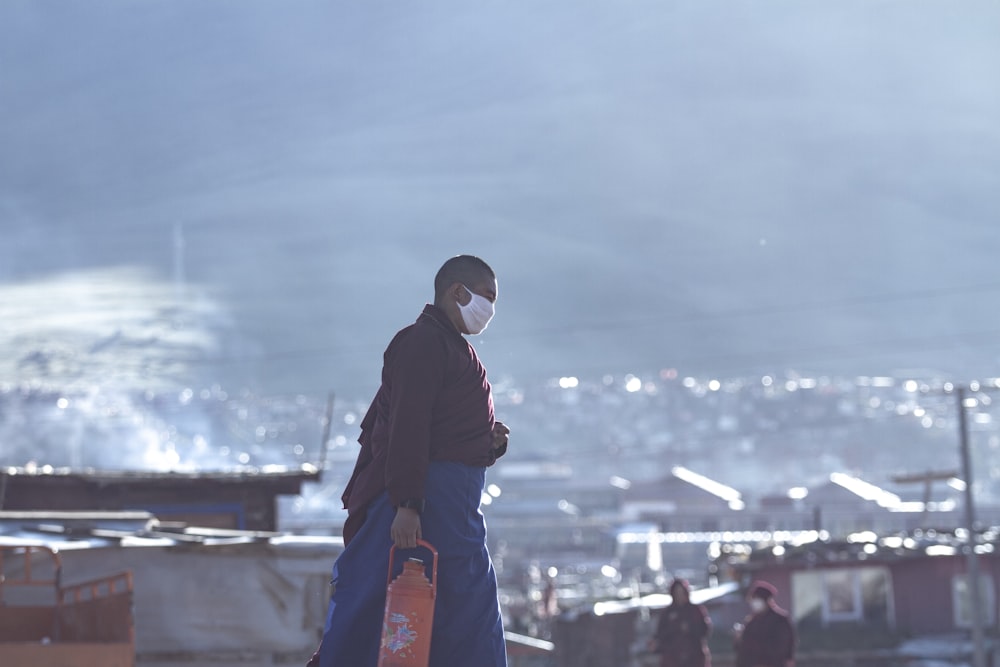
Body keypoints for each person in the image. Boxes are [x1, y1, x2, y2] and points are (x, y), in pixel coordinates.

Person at [312, 255, 510, 667]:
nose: (490, 309)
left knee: (464, 613)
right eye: (487, 297)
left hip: (454, 511)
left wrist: (487, 441)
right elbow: (409, 424)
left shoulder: (454, 347)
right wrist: (407, 504)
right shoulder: (423, 342)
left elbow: (446, 431)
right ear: (458, 291)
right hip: (425, 507)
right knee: (383, 606)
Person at [648, 578, 711, 667]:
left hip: (694, 658)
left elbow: (705, 630)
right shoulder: (667, 613)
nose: (679, 596)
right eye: (677, 593)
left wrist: (690, 628)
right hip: (672, 659)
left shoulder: (695, 610)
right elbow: (660, 634)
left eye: (681, 592)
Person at [733, 580, 795, 667]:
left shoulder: (780, 621)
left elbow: (783, 647)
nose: (754, 603)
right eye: (752, 599)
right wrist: (739, 638)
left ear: (766, 600)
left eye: (757, 599)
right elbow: (743, 650)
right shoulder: (751, 622)